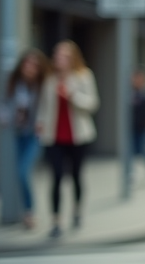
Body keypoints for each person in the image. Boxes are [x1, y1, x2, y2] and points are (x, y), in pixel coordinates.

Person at [36, 41, 99, 238]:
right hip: (54, 136)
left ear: (72, 58)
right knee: (55, 178)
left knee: (76, 176)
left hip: (78, 135)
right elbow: (43, 106)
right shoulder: (50, 79)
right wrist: (39, 122)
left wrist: (72, 95)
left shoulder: (83, 76)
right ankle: (56, 221)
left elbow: (92, 103)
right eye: (57, 55)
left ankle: (77, 211)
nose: (58, 59)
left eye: (63, 56)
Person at [0, 49, 49, 229]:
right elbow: (3, 103)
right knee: (18, 174)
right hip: (17, 133)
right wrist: (4, 117)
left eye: (34, 64)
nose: (30, 67)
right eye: (27, 63)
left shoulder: (43, 85)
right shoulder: (14, 83)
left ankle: (29, 211)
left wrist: (43, 123)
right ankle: (23, 209)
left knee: (22, 171)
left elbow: (47, 110)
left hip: (34, 136)